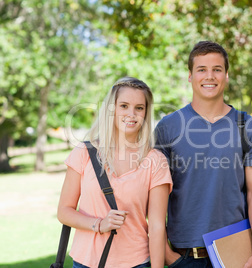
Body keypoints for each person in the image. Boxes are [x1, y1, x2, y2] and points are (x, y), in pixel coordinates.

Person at [155, 41, 252, 267]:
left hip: (237, 254)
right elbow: (155, 198)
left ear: (226, 75)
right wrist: (167, 254)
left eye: (217, 69)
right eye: (201, 70)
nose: (210, 76)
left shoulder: (247, 126)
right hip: (185, 256)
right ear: (190, 76)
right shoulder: (168, 127)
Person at [57, 77, 172, 268]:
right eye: (124, 106)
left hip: (135, 262)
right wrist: (99, 224)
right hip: (86, 262)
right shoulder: (85, 152)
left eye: (139, 108)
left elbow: (157, 225)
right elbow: (64, 211)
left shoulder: (155, 160)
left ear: (146, 112)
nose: (131, 114)